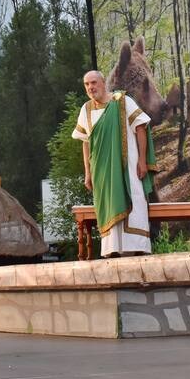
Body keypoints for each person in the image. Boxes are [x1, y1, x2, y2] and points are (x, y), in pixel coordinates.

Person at [73, 70, 157, 257]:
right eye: (86, 84)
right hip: (102, 173)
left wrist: (142, 160)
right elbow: (86, 143)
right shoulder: (86, 110)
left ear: (103, 83)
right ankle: (113, 251)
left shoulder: (122, 101)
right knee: (108, 206)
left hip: (129, 168)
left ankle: (138, 249)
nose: (90, 87)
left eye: (93, 82)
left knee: (134, 202)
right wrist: (87, 173)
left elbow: (141, 126)